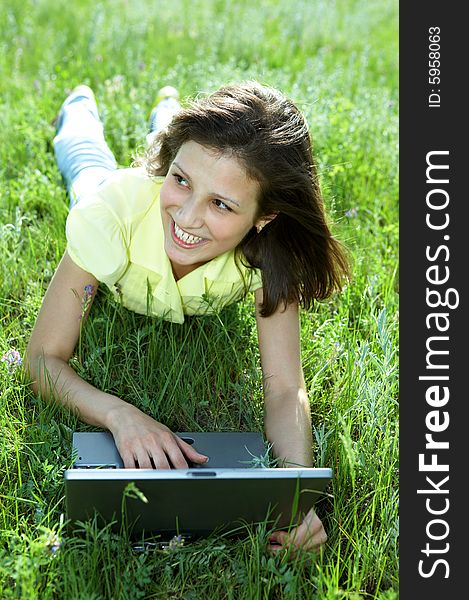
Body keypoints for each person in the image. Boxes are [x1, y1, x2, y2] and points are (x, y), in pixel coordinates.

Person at [25, 80, 349, 554]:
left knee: (177, 155)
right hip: (113, 196)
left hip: (184, 175)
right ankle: (79, 105)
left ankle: (167, 112)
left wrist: (295, 494)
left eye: (221, 204)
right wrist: (120, 415)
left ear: (265, 217)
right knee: (87, 164)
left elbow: (284, 389)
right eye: (181, 179)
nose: (189, 218)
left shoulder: (271, 253)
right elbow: (41, 359)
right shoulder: (109, 217)